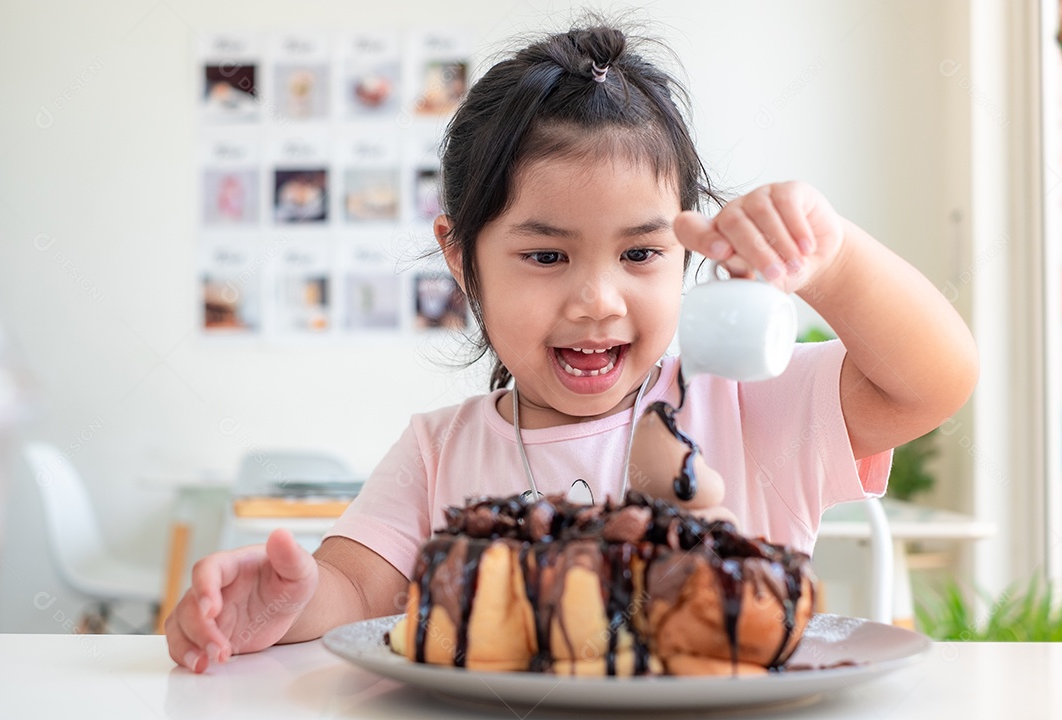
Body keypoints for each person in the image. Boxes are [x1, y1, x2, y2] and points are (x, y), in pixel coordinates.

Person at [166, 22, 978, 673]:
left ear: (685, 250)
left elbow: (930, 382)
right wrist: (287, 601)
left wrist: (831, 261)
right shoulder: (436, 453)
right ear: (462, 258)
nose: (597, 300)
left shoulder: (744, 401)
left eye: (640, 254)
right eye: (547, 256)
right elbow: (352, 588)